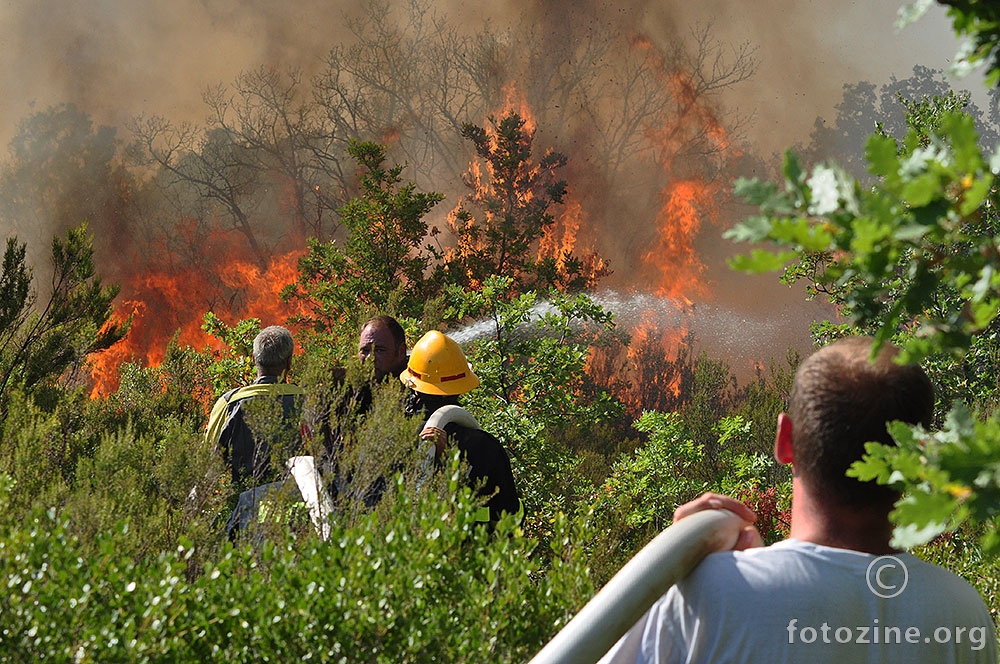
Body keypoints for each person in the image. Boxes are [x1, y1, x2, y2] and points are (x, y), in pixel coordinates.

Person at [599, 337, 997, 663]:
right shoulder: (961, 614)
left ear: (784, 440)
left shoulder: (707, 596)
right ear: (919, 458)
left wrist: (680, 560)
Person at [401, 330, 521, 524]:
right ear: (460, 387)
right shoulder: (483, 446)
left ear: (413, 386)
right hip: (478, 552)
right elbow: (512, 516)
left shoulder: (395, 432)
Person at [205, 325, 307, 491]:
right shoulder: (307, 400)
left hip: (244, 506)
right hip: (298, 502)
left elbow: (208, 460)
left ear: (254, 359)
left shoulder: (228, 403)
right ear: (289, 362)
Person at [358, 315, 409, 382]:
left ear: (401, 352)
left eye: (379, 350)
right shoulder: (350, 386)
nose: (370, 358)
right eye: (365, 350)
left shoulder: (417, 386)